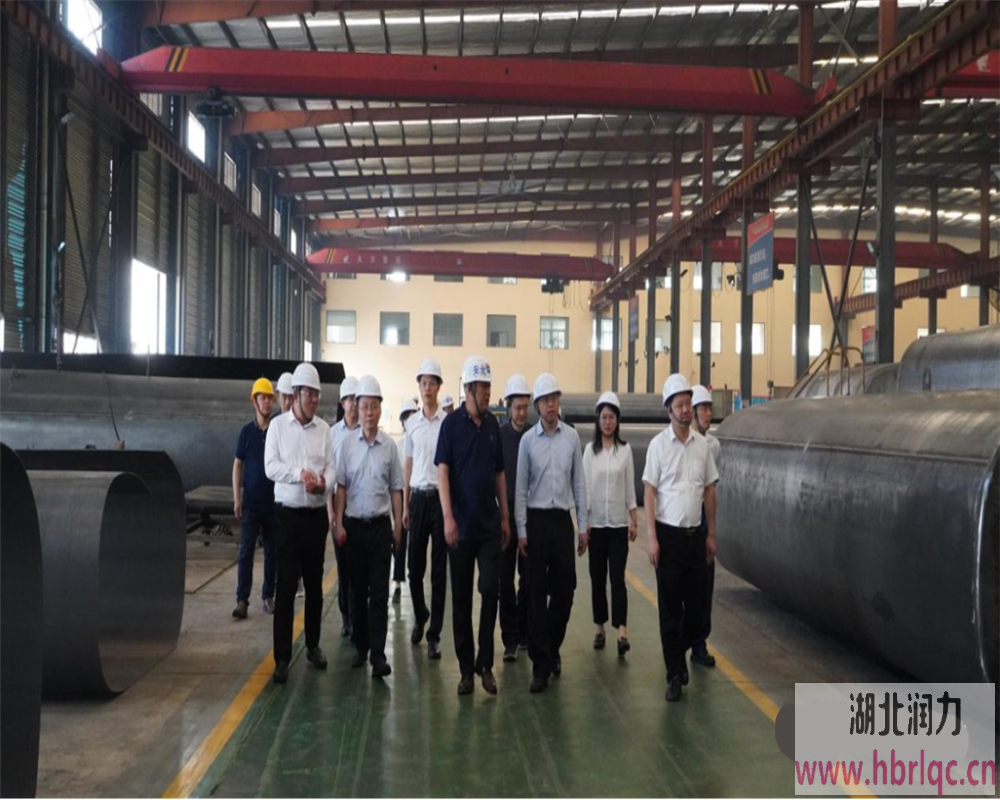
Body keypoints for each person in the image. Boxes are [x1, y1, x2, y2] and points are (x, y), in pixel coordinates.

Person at [435, 356, 511, 696]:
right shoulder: (451, 426)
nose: (487, 393)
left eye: (489, 388)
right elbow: (442, 473)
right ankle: (467, 670)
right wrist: (448, 517)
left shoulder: (493, 425)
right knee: (462, 600)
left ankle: (485, 664)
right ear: (468, 389)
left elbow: (499, 473)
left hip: (489, 527)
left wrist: (505, 516)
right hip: (460, 529)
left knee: (491, 589)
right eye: (483, 388)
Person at [643, 374, 718, 702]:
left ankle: (679, 652)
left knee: (698, 610)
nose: (687, 410)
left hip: (695, 536)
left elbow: (710, 490)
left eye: (689, 404)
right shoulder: (658, 446)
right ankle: (674, 673)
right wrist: (651, 537)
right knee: (670, 610)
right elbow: (649, 492)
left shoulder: (703, 446)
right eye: (680, 405)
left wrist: (711, 533)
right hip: (668, 537)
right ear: (668, 410)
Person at [515, 373, 588, 694]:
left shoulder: (571, 437)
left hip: (561, 523)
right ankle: (540, 666)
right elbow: (520, 489)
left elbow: (579, 484)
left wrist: (582, 526)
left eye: (554, 399)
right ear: (537, 406)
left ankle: (551, 645)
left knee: (565, 590)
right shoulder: (527, 442)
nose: (551, 405)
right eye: (545, 400)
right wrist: (521, 529)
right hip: (535, 522)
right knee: (534, 593)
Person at [264, 363, 336, 685]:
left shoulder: (324, 430)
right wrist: (299, 474)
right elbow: (270, 467)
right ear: (296, 394)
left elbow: (332, 468)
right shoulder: (278, 427)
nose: (314, 400)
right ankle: (281, 658)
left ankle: (312, 645)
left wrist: (323, 484)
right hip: (287, 518)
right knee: (286, 587)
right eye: (309, 394)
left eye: (317, 394)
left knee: (315, 586)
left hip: (315, 517)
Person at [334, 375, 404, 679]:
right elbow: (340, 487)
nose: (369, 413)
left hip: (379, 528)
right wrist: (338, 522)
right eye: (364, 407)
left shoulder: (389, 447)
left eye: (374, 406)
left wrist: (398, 525)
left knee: (379, 593)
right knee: (357, 590)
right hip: (354, 528)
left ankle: (378, 655)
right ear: (356, 408)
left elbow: (396, 489)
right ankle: (361, 647)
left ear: (380, 409)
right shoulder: (346, 445)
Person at [582, 391, 637, 657]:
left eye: (612, 417)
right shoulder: (589, 452)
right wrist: (584, 521)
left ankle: (622, 632)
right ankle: (600, 628)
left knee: (617, 578)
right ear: (598, 419)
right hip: (596, 526)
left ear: (617, 420)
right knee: (597, 579)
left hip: (617, 526)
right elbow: (584, 488)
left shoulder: (625, 451)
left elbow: (630, 487)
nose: (607, 422)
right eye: (604, 417)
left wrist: (633, 518)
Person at [403, 359, 448, 660]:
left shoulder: (447, 424)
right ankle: (421, 614)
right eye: (424, 383)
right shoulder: (412, 425)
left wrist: (450, 510)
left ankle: (434, 636)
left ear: (439, 386)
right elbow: (408, 465)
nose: (428, 388)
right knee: (414, 569)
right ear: (418, 387)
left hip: (440, 501)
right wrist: (406, 505)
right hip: (418, 500)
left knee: (439, 573)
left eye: (432, 383)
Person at [232, 378, 278, 620]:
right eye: (263, 397)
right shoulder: (246, 433)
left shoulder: (277, 432)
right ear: (255, 402)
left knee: (272, 552)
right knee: (246, 552)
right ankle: (242, 600)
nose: (267, 402)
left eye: (270, 398)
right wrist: (236, 498)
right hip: (250, 504)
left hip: (273, 505)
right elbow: (237, 465)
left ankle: (268, 596)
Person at [498, 374, 531, 662]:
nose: (521, 412)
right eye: (517, 407)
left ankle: (524, 633)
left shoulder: (535, 436)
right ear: (508, 407)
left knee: (529, 578)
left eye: (525, 407)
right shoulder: (499, 437)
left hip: (531, 516)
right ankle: (509, 639)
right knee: (505, 580)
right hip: (506, 516)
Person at [689, 384, 720, 668]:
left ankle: (699, 643)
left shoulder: (713, 446)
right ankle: (682, 640)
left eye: (710, 409)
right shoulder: (681, 442)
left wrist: (712, 531)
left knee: (705, 584)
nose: (708, 414)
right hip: (683, 517)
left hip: (703, 518)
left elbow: (712, 490)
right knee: (684, 585)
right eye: (704, 409)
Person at [328, 375, 360, 640]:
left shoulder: (366, 432)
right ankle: (346, 618)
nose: (353, 404)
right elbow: (329, 477)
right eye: (349, 399)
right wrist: (331, 514)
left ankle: (358, 616)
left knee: (359, 567)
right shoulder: (332, 435)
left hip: (360, 508)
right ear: (342, 403)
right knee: (343, 568)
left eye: (356, 399)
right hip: (338, 507)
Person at [393, 398, 419, 606]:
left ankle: (415, 577)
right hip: (402, 495)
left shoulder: (421, 441)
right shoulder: (399, 445)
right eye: (407, 418)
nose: (410, 421)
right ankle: (398, 583)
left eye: (413, 416)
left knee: (416, 542)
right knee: (400, 540)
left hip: (418, 496)